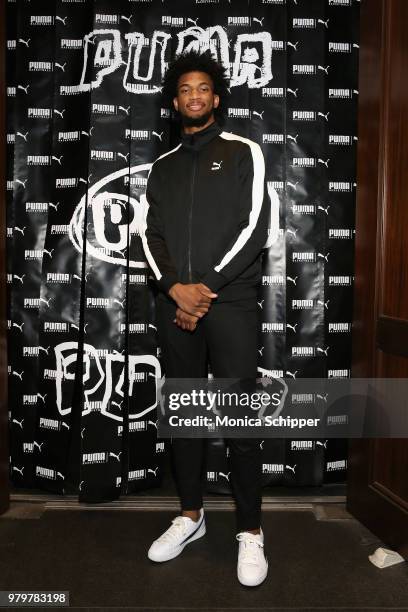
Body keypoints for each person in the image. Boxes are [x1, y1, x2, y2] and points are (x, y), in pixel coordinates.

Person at [141, 49, 271, 587]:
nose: (194, 96)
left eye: (203, 89)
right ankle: (190, 515)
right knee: (186, 416)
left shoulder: (245, 152)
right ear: (175, 102)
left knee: (240, 419)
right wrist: (177, 290)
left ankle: (251, 530)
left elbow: (255, 227)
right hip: (177, 305)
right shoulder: (161, 167)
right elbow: (151, 238)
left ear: (216, 98)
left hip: (231, 304)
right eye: (185, 90)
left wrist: (205, 290)